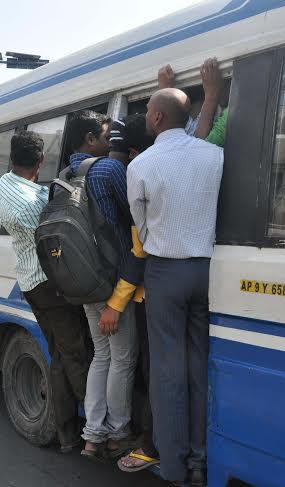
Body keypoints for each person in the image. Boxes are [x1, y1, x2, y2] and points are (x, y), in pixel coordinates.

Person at [127, 87, 224, 486]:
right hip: (205, 270)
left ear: (157, 119)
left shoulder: (142, 165)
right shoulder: (213, 154)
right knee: (198, 367)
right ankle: (200, 462)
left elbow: (141, 223)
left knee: (167, 372)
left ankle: (172, 465)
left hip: (164, 272)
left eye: (149, 109)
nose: (147, 114)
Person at [0, 131, 91, 453]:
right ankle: (92, 431)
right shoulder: (37, 202)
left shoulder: (4, 186)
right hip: (50, 285)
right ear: (40, 161)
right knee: (74, 354)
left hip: (29, 282)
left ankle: (67, 433)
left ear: (11, 159)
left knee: (60, 353)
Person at [66, 110, 141, 461]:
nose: (110, 141)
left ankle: (92, 434)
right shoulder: (110, 170)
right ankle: (118, 432)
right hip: (114, 281)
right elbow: (136, 216)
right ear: (91, 139)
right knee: (123, 358)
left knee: (102, 355)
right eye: (105, 134)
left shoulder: (63, 175)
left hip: (82, 279)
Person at [108, 115, 162, 473]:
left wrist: (115, 304)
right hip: (181, 285)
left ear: (131, 153)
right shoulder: (194, 160)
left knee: (149, 372)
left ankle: (150, 442)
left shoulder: (139, 174)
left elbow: (138, 251)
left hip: (149, 294)